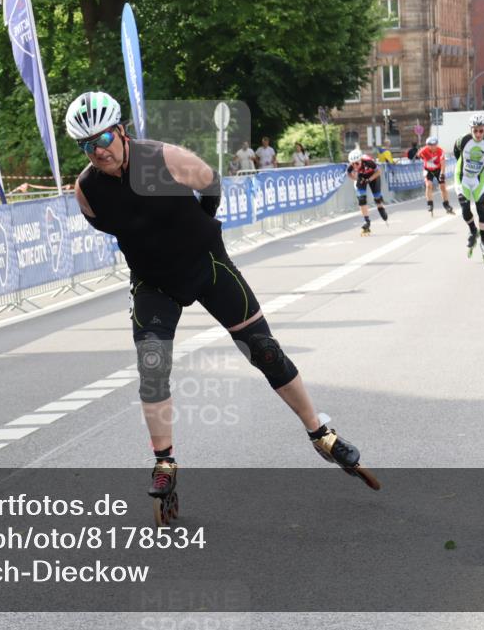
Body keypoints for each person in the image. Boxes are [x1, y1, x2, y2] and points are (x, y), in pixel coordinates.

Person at [64, 91, 380, 504]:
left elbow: (210, 182)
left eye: (103, 139)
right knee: (152, 367)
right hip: (153, 281)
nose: (98, 151)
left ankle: (320, 432)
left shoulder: (162, 158)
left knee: (264, 351)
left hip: (206, 265)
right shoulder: (86, 189)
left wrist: (197, 229)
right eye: (87, 146)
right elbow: (111, 225)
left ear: (121, 131)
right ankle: (164, 462)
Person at [453, 113, 484, 260]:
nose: (478, 134)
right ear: (470, 129)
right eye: (475, 131)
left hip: (478, 178)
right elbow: (456, 153)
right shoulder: (462, 141)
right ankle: (473, 230)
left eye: (481, 130)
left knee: (482, 210)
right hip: (463, 178)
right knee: (465, 208)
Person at [346, 148, 386, 235]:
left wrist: (369, 179)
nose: (355, 165)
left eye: (357, 163)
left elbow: (378, 172)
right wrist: (356, 179)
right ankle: (366, 221)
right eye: (353, 164)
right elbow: (349, 174)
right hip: (362, 176)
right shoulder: (351, 166)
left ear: (361, 160)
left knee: (377, 197)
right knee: (361, 199)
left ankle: (380, 207)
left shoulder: (368, 162)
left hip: (373, 176)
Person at [416, 136, 453, 216]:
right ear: (427, 145)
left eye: (434, 145)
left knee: (442, 186)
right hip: (428, 170)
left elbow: (443, 164)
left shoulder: (440, 151)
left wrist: (442, 174)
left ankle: (446, 204)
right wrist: (419, 155)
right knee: (429, 185)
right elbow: (417, 155)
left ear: (437, 144)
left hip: (438, 170)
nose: (432, 147)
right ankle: (430, 204)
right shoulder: (424, 150)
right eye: (430, 145)